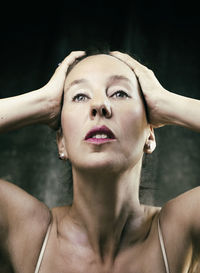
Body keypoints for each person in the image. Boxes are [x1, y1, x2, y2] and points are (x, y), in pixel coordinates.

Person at [0, 50, 200, 273]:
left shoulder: (179, 231)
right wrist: (42, 101)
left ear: (150, 135)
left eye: (120, 93)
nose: (99, 105)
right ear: (62, 142)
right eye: (80, 96)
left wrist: (168, 102)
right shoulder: (27, 232)